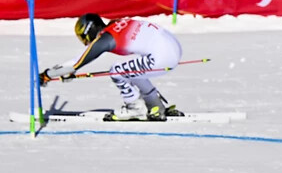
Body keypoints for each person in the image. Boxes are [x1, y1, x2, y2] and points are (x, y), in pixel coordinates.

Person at [38, 13, 184, 121]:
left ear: (91, 29)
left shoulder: (106, 38)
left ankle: (135, 108)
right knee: (131, 71)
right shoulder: (116, 24)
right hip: (173, 49)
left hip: (161, 58)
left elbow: (75, 63)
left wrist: (46, 75)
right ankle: (155, 105)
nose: (85, 41)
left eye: (84, 36)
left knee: (116, 71)